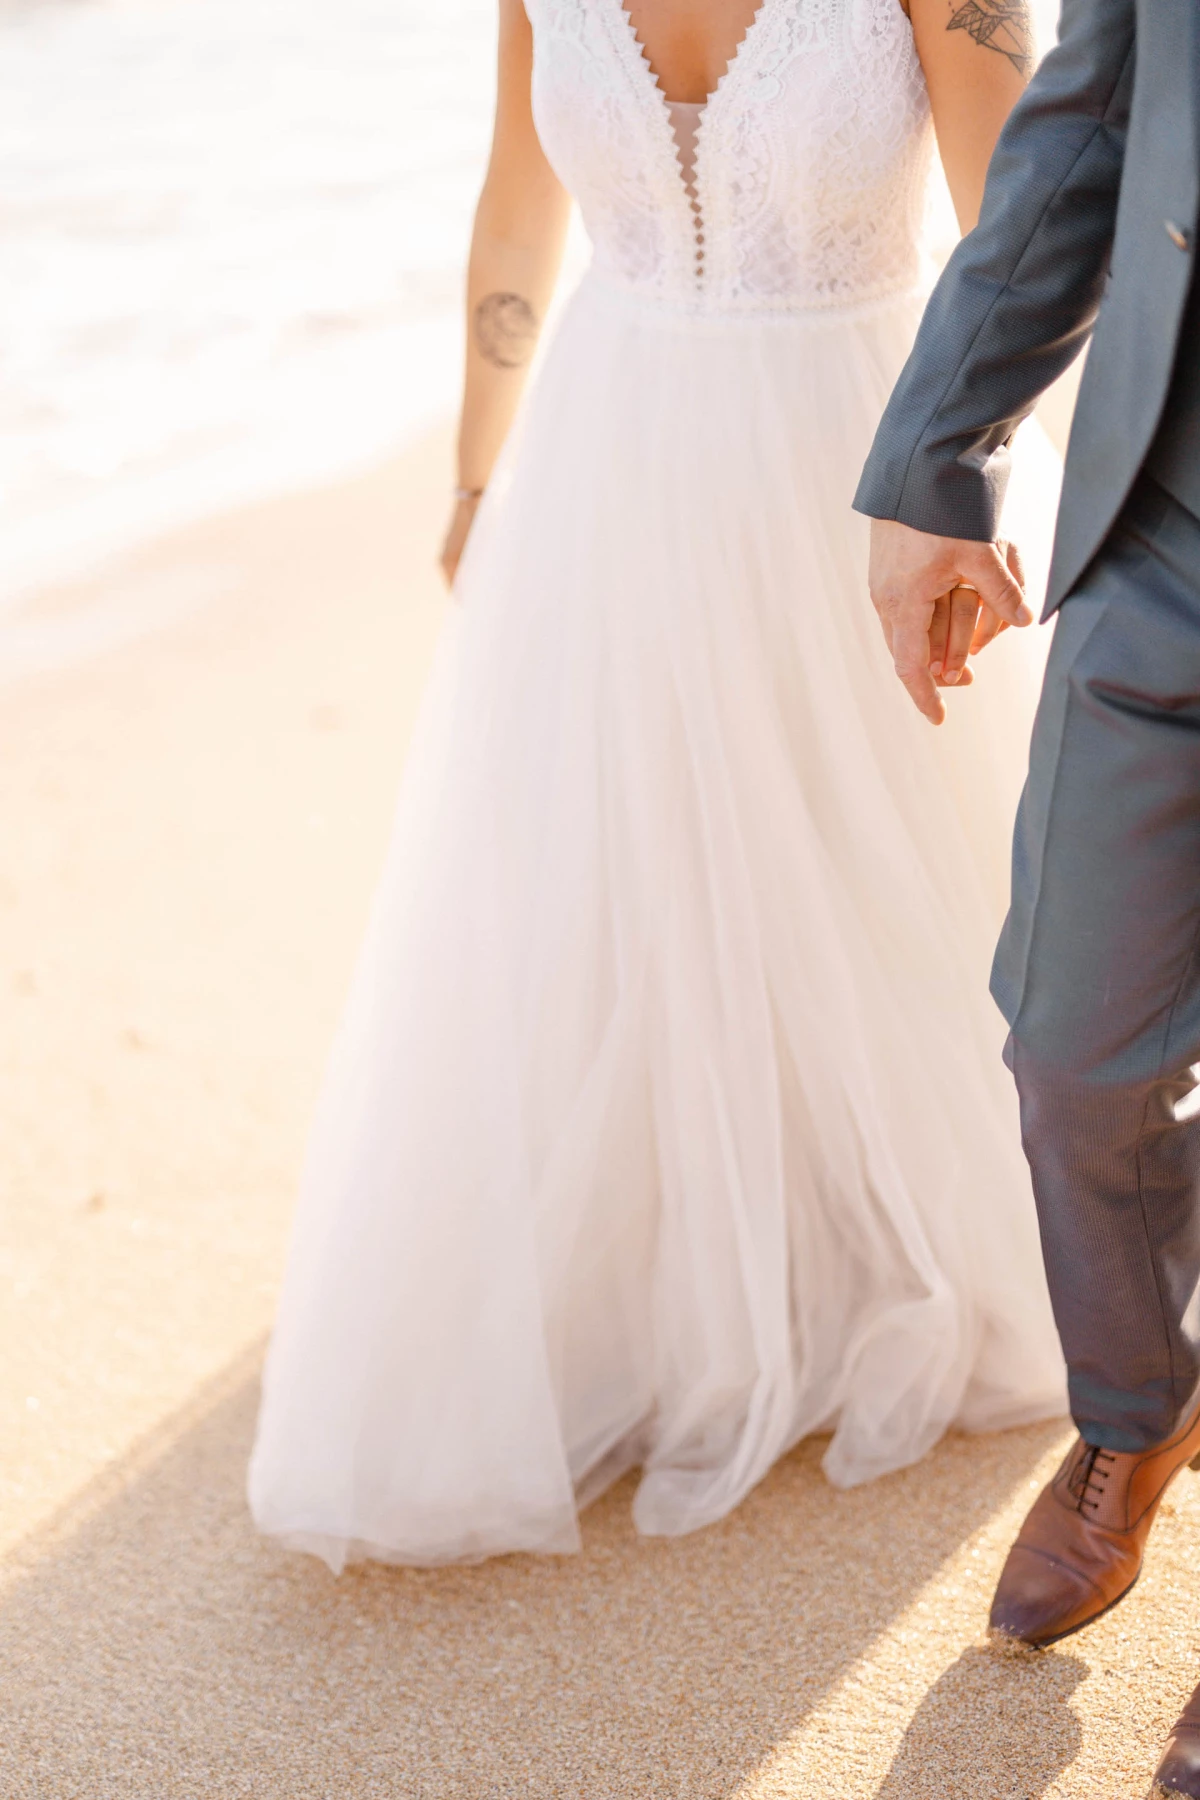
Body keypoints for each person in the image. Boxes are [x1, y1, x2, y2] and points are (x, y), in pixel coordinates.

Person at [248, 0, 1067, 1573]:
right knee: (621, 880)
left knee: (877, 879)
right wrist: (479, 481)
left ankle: (876, 1245)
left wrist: (968, 481)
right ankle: (687, 1271)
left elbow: (1021, 226)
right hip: (605, 467)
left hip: (863, 467)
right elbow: (515, 193)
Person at [855, 0, 1200, 1790]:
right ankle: (1138, 1420)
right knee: (1073, 1053)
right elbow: (1073, 140)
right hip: (1161, 545)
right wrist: (938, 462)